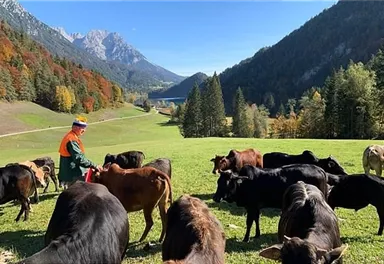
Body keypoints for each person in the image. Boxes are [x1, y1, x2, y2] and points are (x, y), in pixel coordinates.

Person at [58, 116, 102, 189]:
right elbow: (79, 159)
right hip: (74, 174)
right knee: (77, 194)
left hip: (70, 173)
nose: (84, 130)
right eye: (83, 128)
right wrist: (94, 165)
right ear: (76, 127)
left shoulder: (71, 136)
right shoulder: (71, 140)